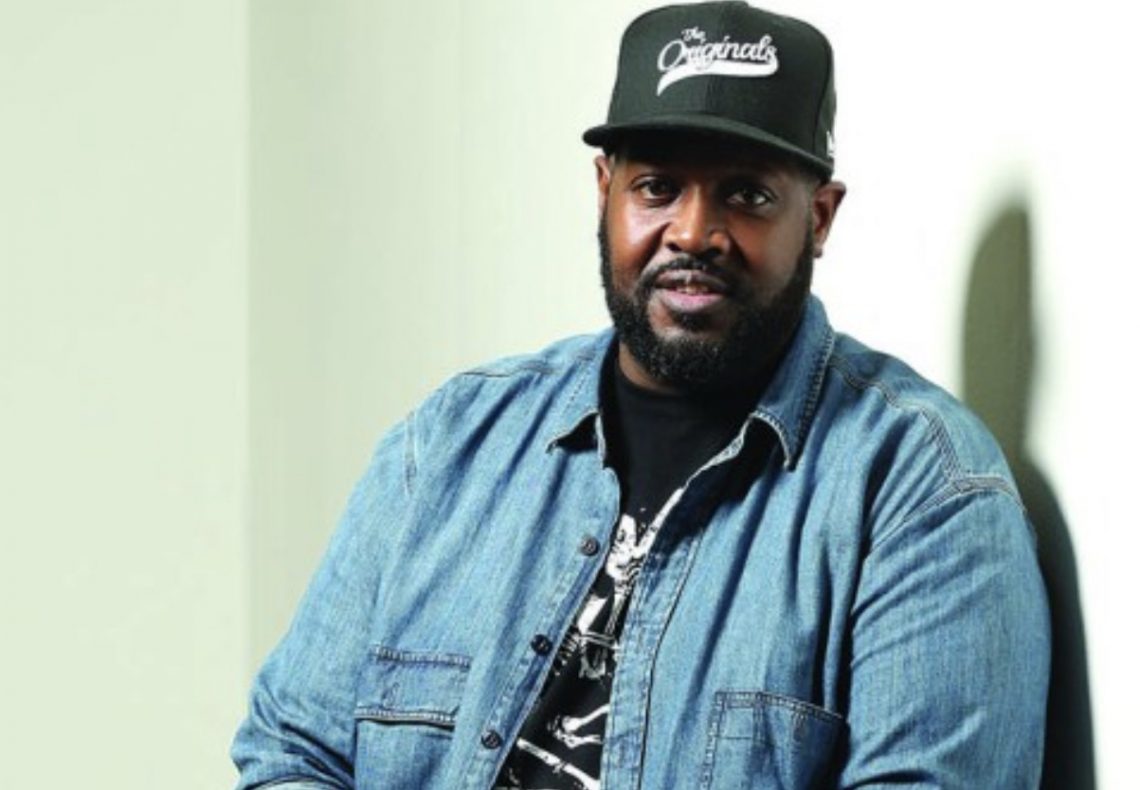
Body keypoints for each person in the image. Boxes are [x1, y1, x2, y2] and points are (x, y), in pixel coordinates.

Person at [231, 2, 1050, 788]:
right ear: (605, 190)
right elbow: (292, 751)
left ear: (821, 218)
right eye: (657, 186)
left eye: (747, 194)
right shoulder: (449, 444)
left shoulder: (920, 492)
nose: (693, 233)